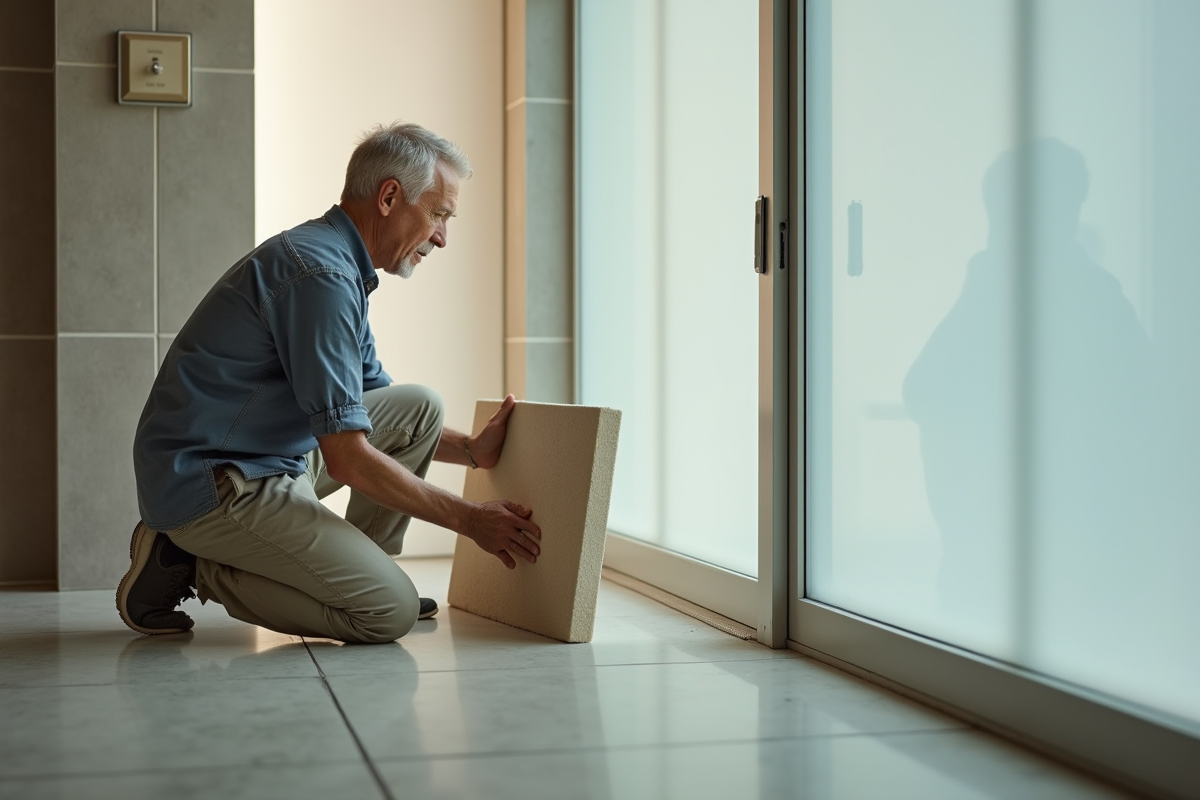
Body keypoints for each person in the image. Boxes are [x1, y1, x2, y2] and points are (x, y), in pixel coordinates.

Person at [117, 122, 542, 644]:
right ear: (389, 196)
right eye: (438, 214)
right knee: (388, 614)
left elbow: (375, 410)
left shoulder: (339, 265)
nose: (442, 237)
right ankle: (191, 562)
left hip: (262, 455)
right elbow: (347, 455)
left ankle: (357, 573)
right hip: (214, 483)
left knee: (419, 408)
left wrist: (473, 450)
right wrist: (472, 520)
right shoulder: (321, 276)